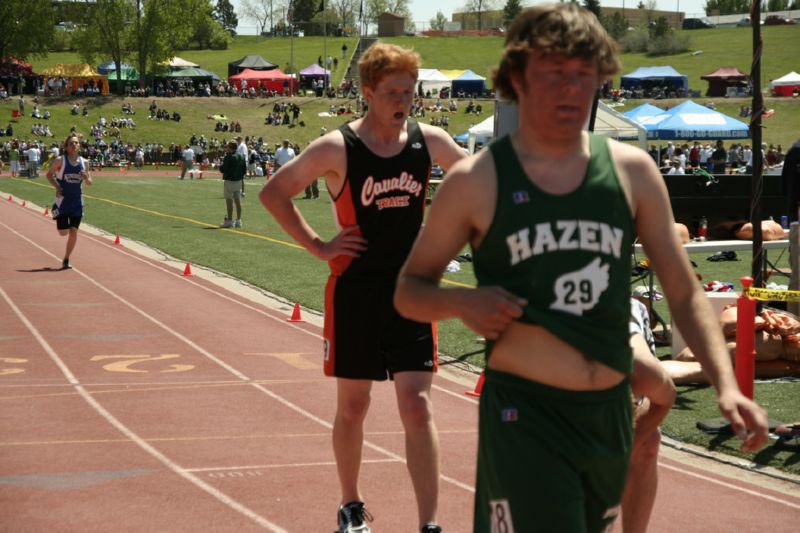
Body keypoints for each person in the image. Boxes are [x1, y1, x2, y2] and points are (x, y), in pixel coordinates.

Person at [393, 5, 768, 532]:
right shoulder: (477, 181)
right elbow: (409, 290)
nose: (571, 89)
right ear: (517, 79)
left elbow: (682, 290)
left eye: (584, 74)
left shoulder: (631, 171)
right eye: (555, 75)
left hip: (608, 418)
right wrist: (461, 301)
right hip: (526, 419)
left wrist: (727, 385)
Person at [259, 42, 466, 533]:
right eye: (392, 90)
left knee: (417, 405)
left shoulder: (429, 141)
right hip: (355, 294)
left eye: (409, 91)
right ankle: (351, 503)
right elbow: (274, 192)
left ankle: (429, 523)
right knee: (354, 406)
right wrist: (318, 245)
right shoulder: (338, 147)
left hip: (411, 292)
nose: (403, 100)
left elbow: (483, 183)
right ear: (368, 92)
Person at [46, 134, 92, 270]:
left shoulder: (85, 162)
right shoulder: (61, 160)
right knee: (63, 233)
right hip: (63, 202)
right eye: (71, 143)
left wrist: (86, 178)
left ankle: (66, 258)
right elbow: (49, 175)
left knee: (73, 231)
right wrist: (57, 187)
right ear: (66, 146)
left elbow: (89, 183)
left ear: (80, 146)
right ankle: (55, 210)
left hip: (77, 202)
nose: (74, 145)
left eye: (76, 143)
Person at [219, 141, 246, 228]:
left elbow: (223, 169)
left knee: (229, 201)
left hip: (230, 180)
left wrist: (220, 166)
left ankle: (229, 220)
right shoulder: (241, 155)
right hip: (238, 181)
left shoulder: (229, 156)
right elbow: (244, 169)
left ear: (230, 147)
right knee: (238, 201)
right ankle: (238, 220)